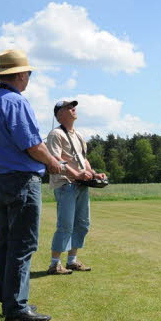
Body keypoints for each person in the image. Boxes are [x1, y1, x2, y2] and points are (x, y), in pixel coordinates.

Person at [0, 50, 63, 321]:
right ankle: (16, 306)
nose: (29, 78)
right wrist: (52, 161)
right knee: (23, 244)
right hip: (21, 180)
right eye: (29, 73)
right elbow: (32, 144)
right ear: (19, 74)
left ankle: (9, 299)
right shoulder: (16, 102)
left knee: (6, 243)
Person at [45, 100, 107, 275]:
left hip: (80, 185)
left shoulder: (78, 135)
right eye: (68, 107)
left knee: (83, 224)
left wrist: (93, 173)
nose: (74, 109)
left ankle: (72, 260)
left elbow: (83, 160)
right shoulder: (55, 134)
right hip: (65, 184)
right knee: (65, 225)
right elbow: (55, 160)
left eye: (73, 106)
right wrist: (76, 174)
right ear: (59, 114)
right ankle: (54, 264)